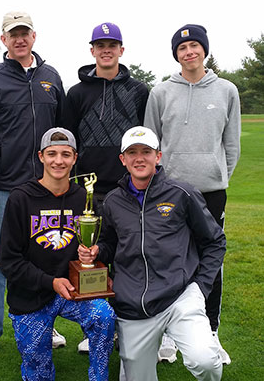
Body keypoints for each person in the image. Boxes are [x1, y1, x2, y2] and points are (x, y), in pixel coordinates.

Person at [80, 126, 225, 381]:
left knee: (206, 361)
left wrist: (200, 288)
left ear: (158, 156)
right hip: (132, 305)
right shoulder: (112, 201)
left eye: (146, 151)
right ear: (122, 160)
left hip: (180, 296)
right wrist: (97, 251)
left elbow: (214, 241)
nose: (139, 158)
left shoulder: (183, 194)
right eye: (132, 152)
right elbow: (110, 245)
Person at [144, 24, 240, 365]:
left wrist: (216, 175)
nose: (189, 52)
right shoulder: (160, 92)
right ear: (176, 55)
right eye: (182, 48)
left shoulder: (227, 90)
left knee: (211, 261)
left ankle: (211, 333)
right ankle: (169, 333)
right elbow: (151, 143)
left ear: (204, 50)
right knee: (169, 260)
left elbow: (231, 145)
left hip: (212, 193)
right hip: (169, 191)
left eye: (195, 46)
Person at [0, 11, 66, 359]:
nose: (19, 39)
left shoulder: (50, 77)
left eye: (24, 33)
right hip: (1, 185)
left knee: (45, 257)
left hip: (44, 186)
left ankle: (46, 322)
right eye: (13, 34)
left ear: (34, 36)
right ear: (4, 40)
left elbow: (60, 135)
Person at [0, 127, 116, 381]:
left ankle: (99, 376)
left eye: (66, 154)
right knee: (38, 371)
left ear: (75, 158)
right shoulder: (21, 198)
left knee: (104, 316)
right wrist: (49, 281)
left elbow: (106, 242)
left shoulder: (83, 198)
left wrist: (95, 253)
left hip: (74, 290)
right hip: (31, 295)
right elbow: (8, 261)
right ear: (41, 156)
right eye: (52, 154)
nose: (59, 161)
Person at [62, 21, 149, 353]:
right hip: (88, 191)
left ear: (121, 50)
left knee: (124, 258)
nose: (106, 49)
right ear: (92, 51)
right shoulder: (77, 93)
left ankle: (128, 326)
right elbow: (69, 139)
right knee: (90, 260)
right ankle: (94, 328)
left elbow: (146, 139)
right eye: (100, 45)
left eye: (112, 44)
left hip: (128, 188)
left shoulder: (140, 91)